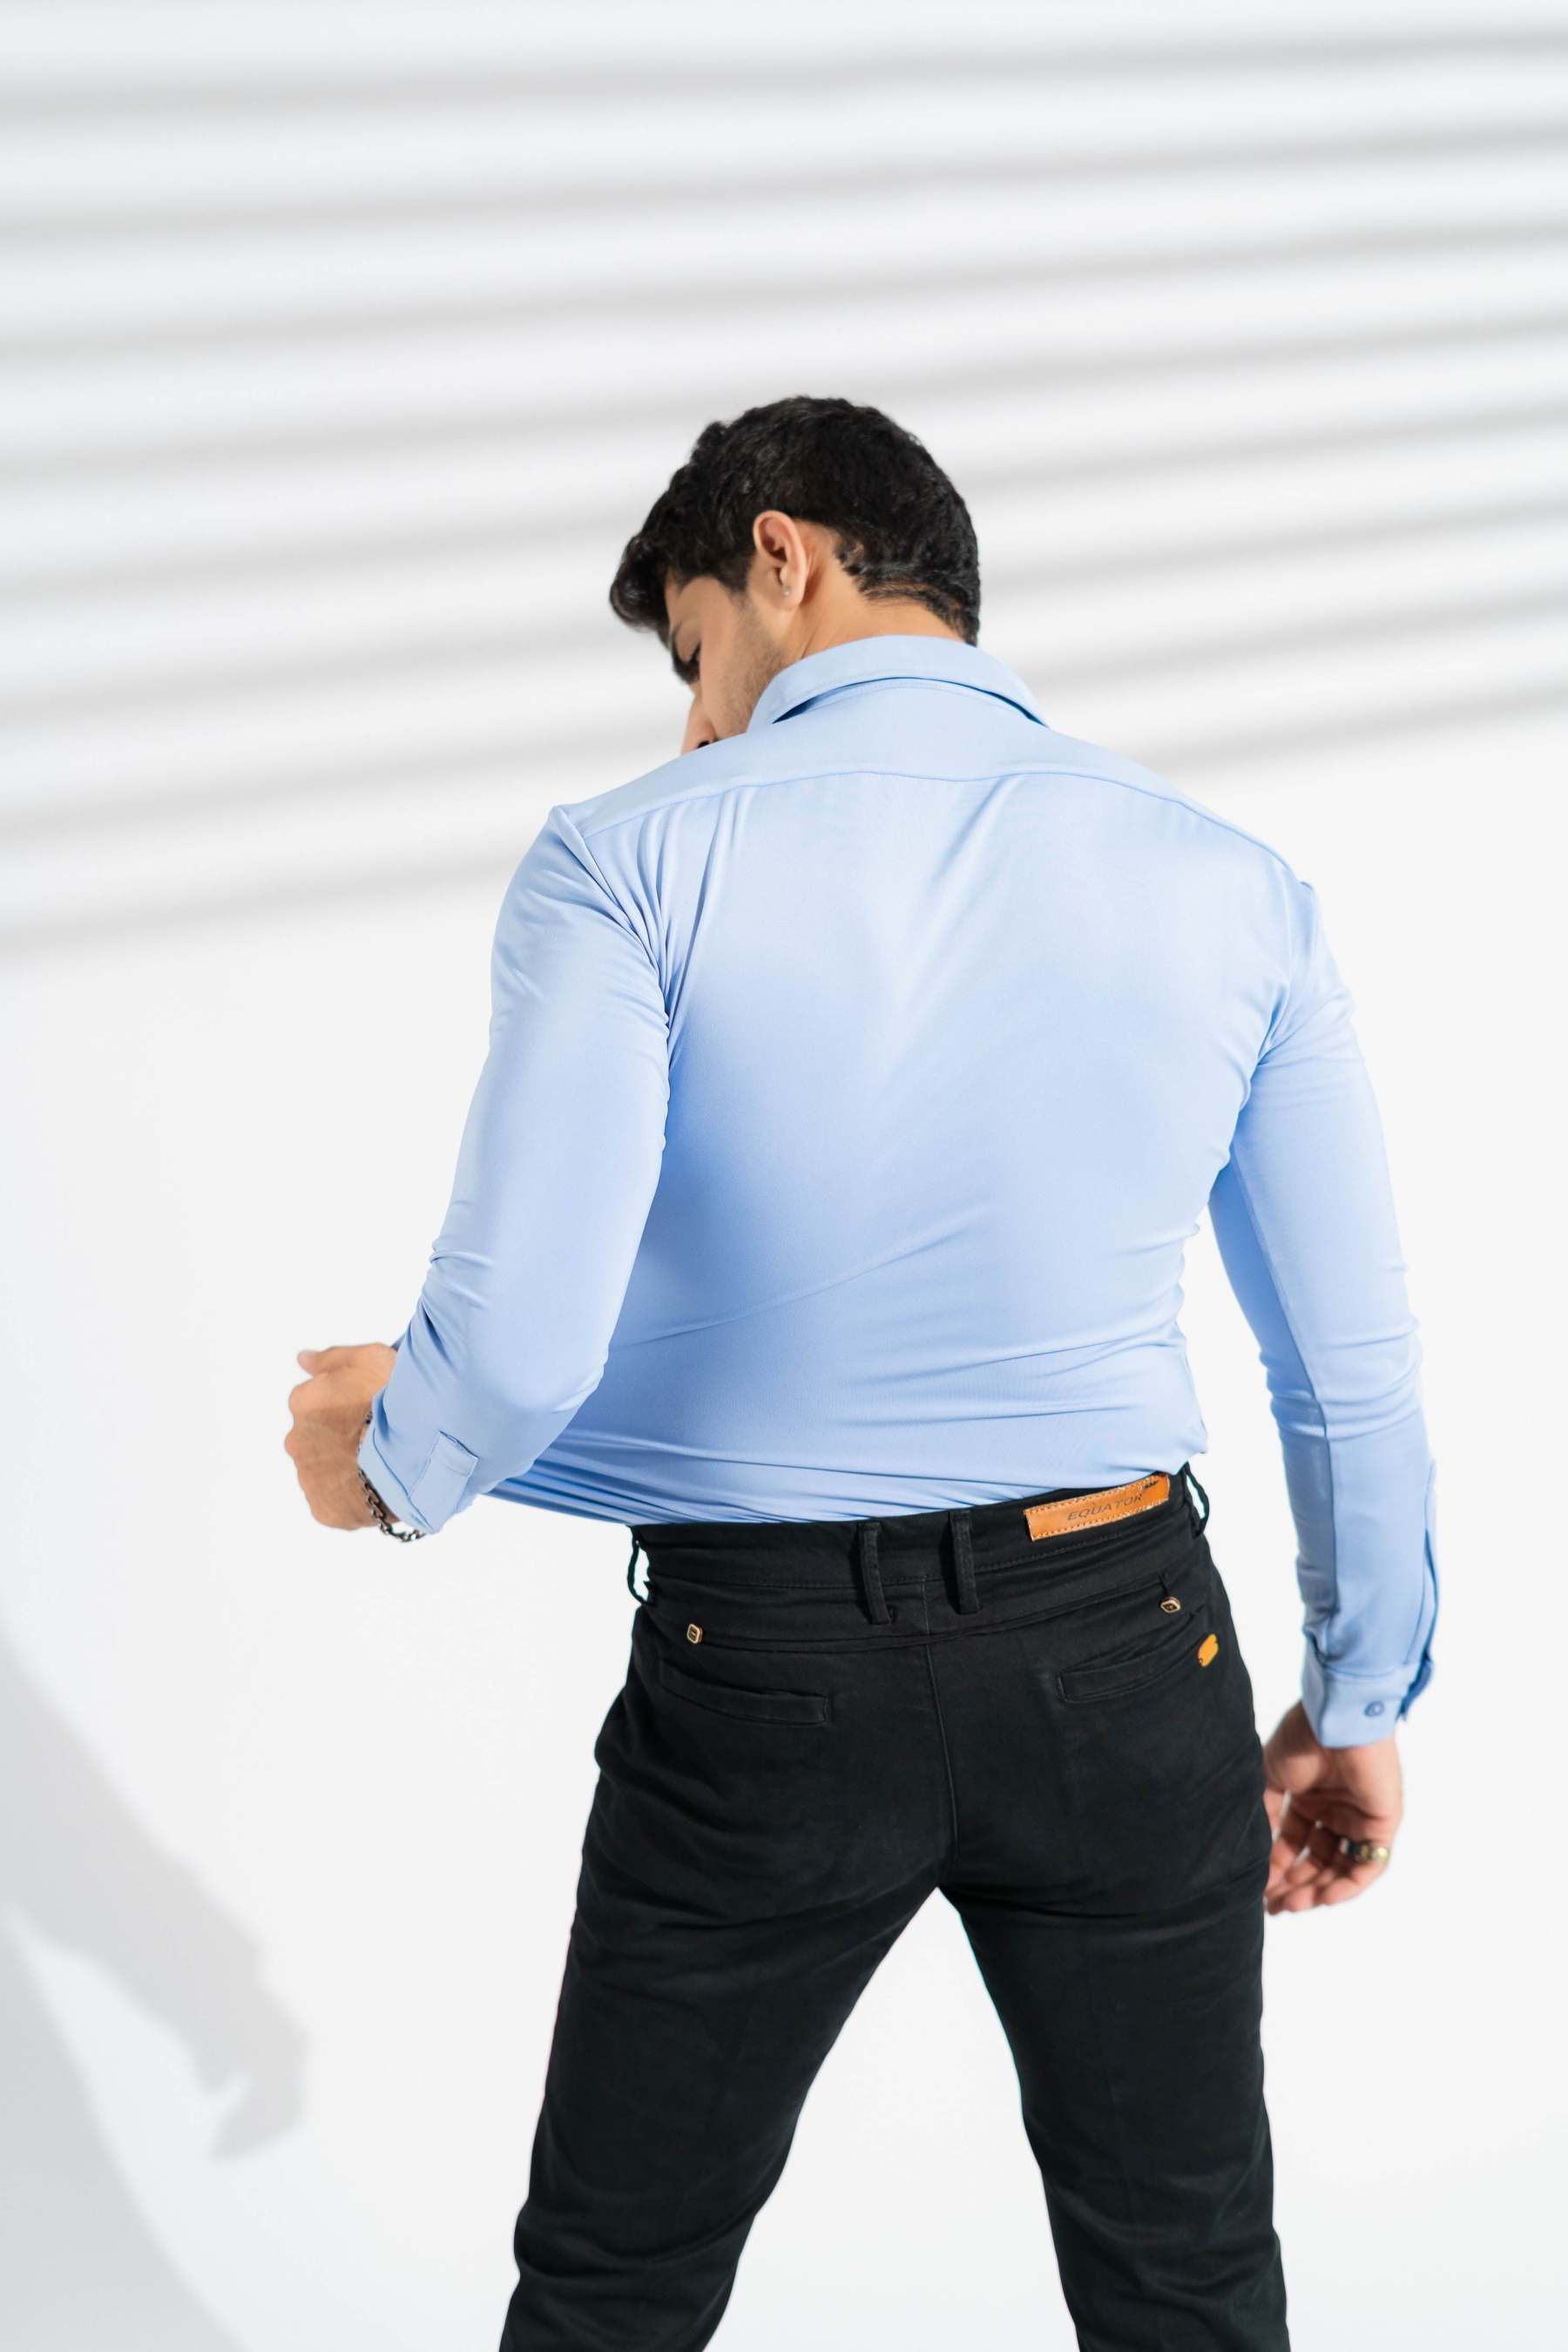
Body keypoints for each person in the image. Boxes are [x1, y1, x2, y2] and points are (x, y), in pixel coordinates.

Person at [284, 395, 1438, 2349]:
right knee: (1187, 2282)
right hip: (1127, 1645)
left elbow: (527, 1342)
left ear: (781, 555)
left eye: (694, 657)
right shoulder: (1230, 882)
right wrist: (1360, 1693)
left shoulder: (626, 861)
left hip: (767, 1681)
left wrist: (394, 1451)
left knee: (616, 2288)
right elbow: (1349, 1366)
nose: (695, 723)